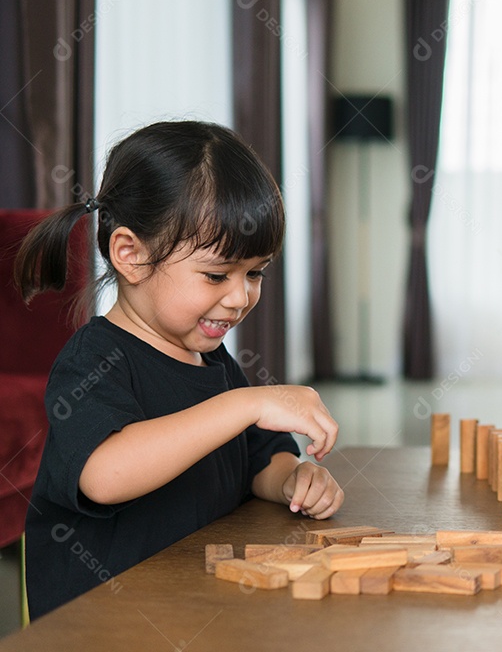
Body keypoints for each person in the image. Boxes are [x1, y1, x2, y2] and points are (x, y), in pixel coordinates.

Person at [16, 120, 345, 618]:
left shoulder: (212, 360)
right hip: (105, 627)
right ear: (130, 255)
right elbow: (105, 474)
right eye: (216, 275)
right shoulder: (94, 359)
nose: (240, 297)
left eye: (254, 273)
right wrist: (246, 402)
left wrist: (293, 480)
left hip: (193, 610)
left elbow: (259, 459)